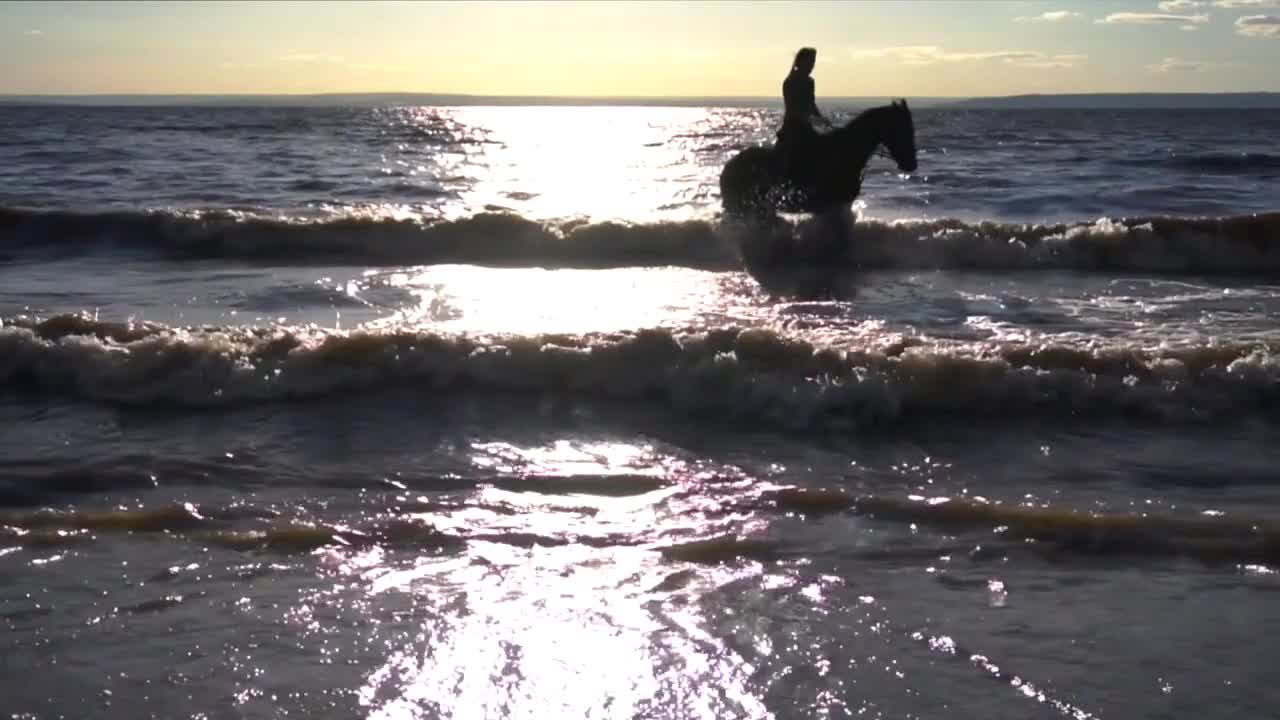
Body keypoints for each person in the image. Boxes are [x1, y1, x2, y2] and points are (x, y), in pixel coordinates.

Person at [776, 47, 831, 180]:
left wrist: (821, 118)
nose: (812, 66)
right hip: (792, 126)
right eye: (810, 62)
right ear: (801, 62)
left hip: (806, 126)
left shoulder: (810, 82)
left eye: (813, 63)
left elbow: (811, 104)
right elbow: (792, 107)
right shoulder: (789, 82)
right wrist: (806, 116)